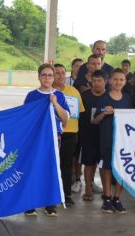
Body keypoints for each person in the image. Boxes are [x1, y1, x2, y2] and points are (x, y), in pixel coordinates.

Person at [24, 63, 70, 217]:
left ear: (54, 77)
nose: (47, 78)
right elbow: (24, 118)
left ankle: (50, 204)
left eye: (50, 75)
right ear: (38, 77)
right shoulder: (32, 96)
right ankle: (30, 203)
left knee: (51, 169)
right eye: (43, 75)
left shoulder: (59, 96)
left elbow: (65, 120)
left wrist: (55, 103)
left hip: (53, 139)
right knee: (34, 169)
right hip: (35, 140)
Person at [92, 68, 132, 213]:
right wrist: (103, 112)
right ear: (110, 81)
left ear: (125, 81)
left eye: (121, 79)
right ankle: (107, 197)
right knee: (108, 168)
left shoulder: (128, 98)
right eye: (115, 79)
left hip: (124, 141)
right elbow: (95, 120)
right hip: (108, 140)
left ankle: (117, 198)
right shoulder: (104, 98)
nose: (118, 82)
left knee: (122, 168)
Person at [53, 64, 85, 206]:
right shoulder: (49, 92)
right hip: (52, 133)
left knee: (66, 165)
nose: (60, 75)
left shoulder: (74, 91)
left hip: (70, 134)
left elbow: (80, 113)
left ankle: (66, 194)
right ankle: (50, 194)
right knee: (51, 164)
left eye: (62, 73)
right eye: (57, 73)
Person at [79, 70, 107, 201]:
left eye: (100, 80)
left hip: (105, 137)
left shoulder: (110, 97)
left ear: (105, 82)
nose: (96, 83)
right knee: (88, 164)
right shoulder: (84, 96)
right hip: (88, 136)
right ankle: (88, 191)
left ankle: (106, 192)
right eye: (94, 80)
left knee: (103, 164)